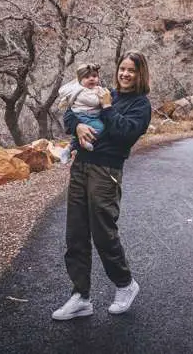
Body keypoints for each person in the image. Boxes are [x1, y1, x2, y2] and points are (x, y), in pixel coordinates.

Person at [51, 51, 153, 321]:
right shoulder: (104, 91)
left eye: (131, 70)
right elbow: (72, 112)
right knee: (76, 233)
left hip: (106, 171)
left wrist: (107, 107)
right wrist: (78, 128)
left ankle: (125, 284)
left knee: (103, 233)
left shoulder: (140, 105)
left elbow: (124, 134)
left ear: (140, 74)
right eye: (122, 68)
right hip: (81, 166)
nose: (125, 74)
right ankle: (81, 297)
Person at [54, 63, 106, 164]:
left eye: (94, 76)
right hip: (84, 116)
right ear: (80, 80)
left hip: (92, 116)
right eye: (87, 77)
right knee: (99, 129)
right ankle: (84, 143)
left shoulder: (96, 88)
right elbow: (94, 102)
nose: (91, 79)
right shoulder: (80, 91)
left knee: (90, 131)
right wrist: (103, 99)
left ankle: (69, 148)